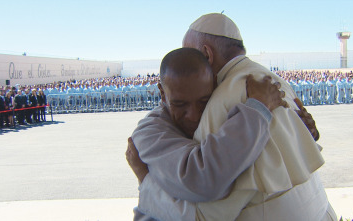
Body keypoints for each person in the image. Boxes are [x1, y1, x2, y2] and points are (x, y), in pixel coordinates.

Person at [130, 13, 335, 221]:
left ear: (206, 54)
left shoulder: (227, 97)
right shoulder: (275, 82)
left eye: (190, 53)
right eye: (181, 104)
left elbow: (202, 213)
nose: (194, 115)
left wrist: (144, 180)